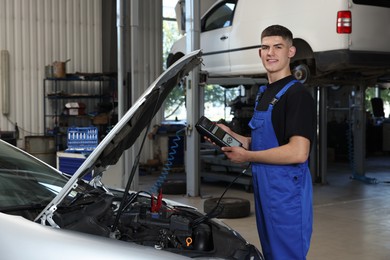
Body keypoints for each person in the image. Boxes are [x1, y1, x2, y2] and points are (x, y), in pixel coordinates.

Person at [214, 25, 316, 259]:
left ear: (291, 52)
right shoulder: (264, 93)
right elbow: (260, 143)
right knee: (271, 254)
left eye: (278, 47)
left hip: (286, 194)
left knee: (287, 255)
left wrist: (247, 157)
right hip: (265, 189)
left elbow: (299, 152)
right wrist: (231, 135)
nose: (270, 53)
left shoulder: (297, 95)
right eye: (265, 47)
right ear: (260, 52)